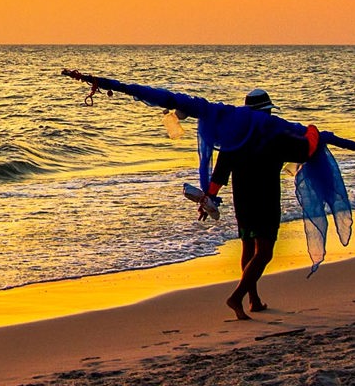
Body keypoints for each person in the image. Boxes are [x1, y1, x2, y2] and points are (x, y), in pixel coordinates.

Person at [60, 70, 314, 320]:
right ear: (267, 113)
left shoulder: (234, 139)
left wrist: (208, 200)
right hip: (265, 200)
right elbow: (304, 152)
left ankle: (254, 300)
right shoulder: (276, 137)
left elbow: (219, 174)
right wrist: (312, 132)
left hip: (244, 202)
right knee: (265, 252)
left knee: (248, 246)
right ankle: (237, 296)